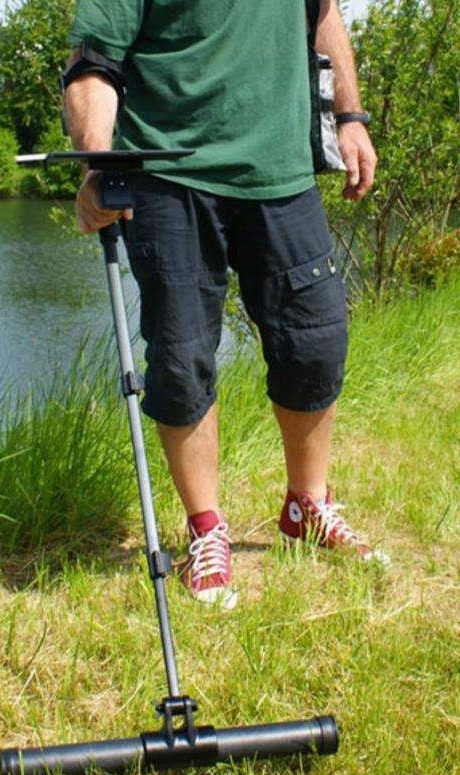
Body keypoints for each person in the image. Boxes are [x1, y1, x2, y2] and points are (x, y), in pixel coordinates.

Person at [64, 0, 388, 610]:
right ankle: (207, 529)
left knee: (316, 341)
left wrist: (350, 117)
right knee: (181, 357)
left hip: (282, 171)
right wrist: (98, 165)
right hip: (168, 175)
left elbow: (323, 16)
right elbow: (93, 65)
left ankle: (307, 506)